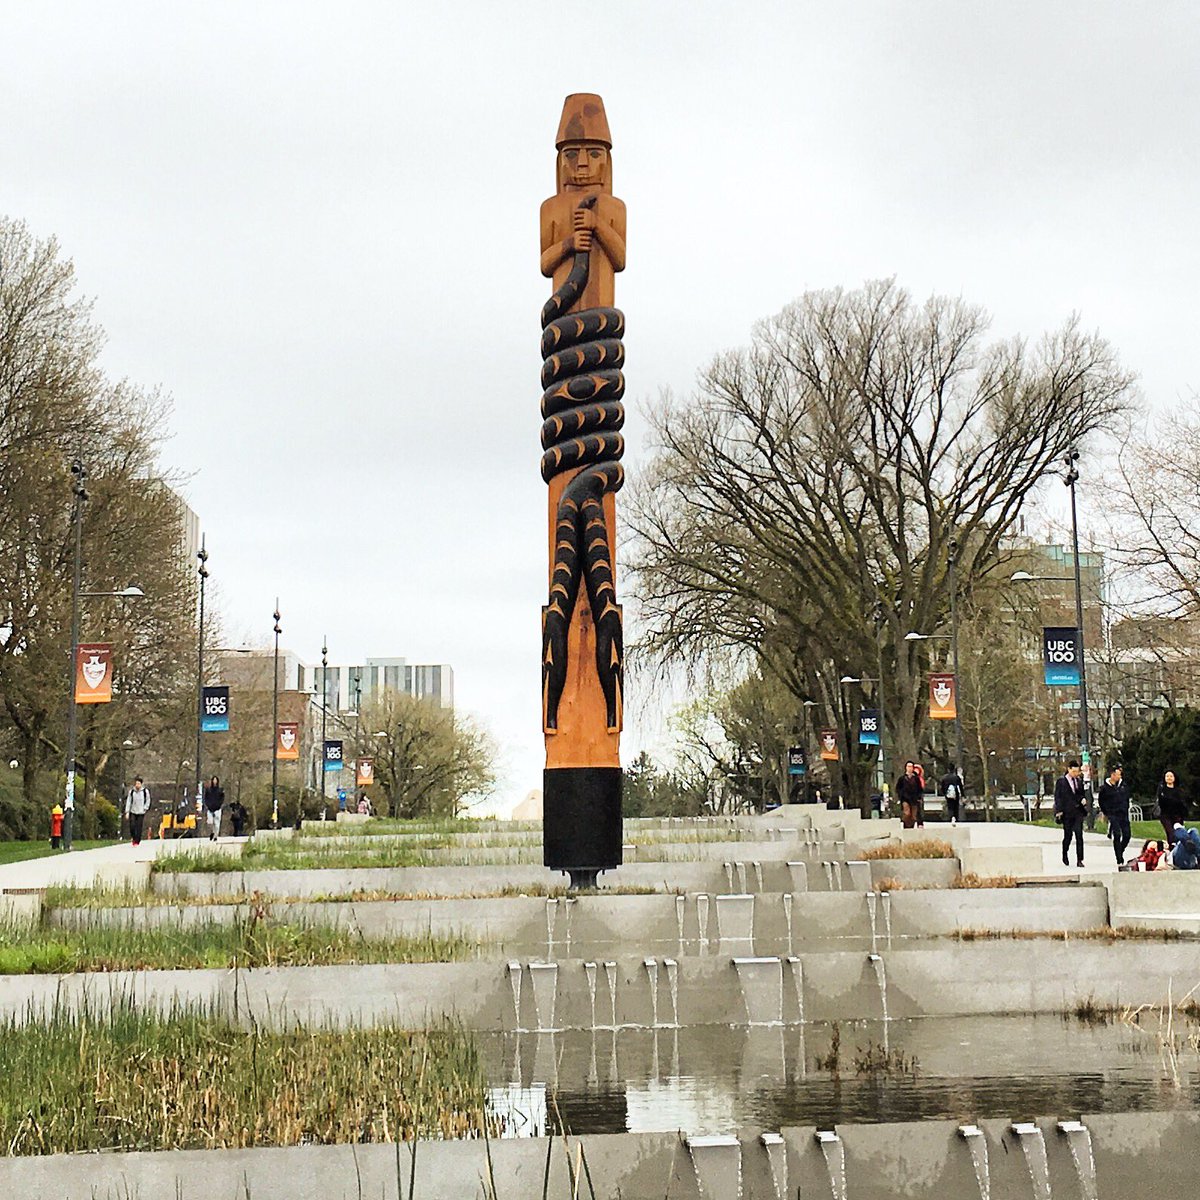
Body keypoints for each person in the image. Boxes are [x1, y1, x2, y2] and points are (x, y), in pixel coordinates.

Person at [1054, 760, 1088, 868]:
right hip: (1067, 813)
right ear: (1069, 769)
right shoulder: (1061, 782)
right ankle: (1065, 853)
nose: (1075, 774)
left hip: (1078, 812)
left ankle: (1080, 859)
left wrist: (1083, 799)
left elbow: (1081, 794)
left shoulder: (1079, 781)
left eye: (1077, 772)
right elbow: (1058, 797)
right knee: (1068, 836)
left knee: (1079, 836)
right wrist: (1059, 811)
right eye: (1073, 771)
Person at [1097, 764, 1132, 865]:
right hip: (1113, 813)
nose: (1119, 777)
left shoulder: (1123, 786)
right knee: (1117, 834)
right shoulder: (1104, 788)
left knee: (1127, 835)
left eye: (1120, 775)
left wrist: (1126, 806)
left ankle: (1120, 850)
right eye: (1117, 775)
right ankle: (1119, 858)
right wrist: (1106, 812)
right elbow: (1101, 801)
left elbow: (1126, 797)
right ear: (1112, 775)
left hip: (1123, 813)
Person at [1157, 771, 1186, 846]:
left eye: (1171, 776)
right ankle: (1172, 849)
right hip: (1165, 815)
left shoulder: (1179, 790)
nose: (1169, 778)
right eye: (1167, 776)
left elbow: (1182, 803)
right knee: (1170, 833)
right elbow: (1161, 801)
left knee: (1178, 833)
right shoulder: (1161, 789)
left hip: (1177, 815)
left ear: (1174, 778)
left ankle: (1178, 849)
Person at [124, 776, 152, 847]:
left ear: (141, 784)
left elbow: (148, 800)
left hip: (141, 812)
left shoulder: (145, 791)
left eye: (139, 784)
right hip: (133, 811)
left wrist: (145, 808)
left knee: (139, 826)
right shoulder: (132, 791)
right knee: (132, 825)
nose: (137, 785)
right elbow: (129, 801)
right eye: (136, 783)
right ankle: (133, 837)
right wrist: (127, 811)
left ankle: (137, 840)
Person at [896, 762, 924, 830]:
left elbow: (920, 789)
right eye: (908, 766)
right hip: (905, 799)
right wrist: (901, 796)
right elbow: (898, 788)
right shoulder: (902, 778)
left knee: (913, 816)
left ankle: (910, 827)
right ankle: (906, 826)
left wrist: (919, 797)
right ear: (906, 768)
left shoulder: (916, 779)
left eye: (911, 767)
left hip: (914, 799)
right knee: (907, 813)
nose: (910, 768)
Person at [202, 775, 225, 841]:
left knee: (217, 824)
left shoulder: (220, 791)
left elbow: (222, 799)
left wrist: (219, 805)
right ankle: (212, 832)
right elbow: (205, 798)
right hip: (210, 809)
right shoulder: (208, 790)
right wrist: (208, 805)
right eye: (213, 780)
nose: (214, 781)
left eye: (216, 780)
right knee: (210, 822)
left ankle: (215, 836)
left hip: (217, 809)